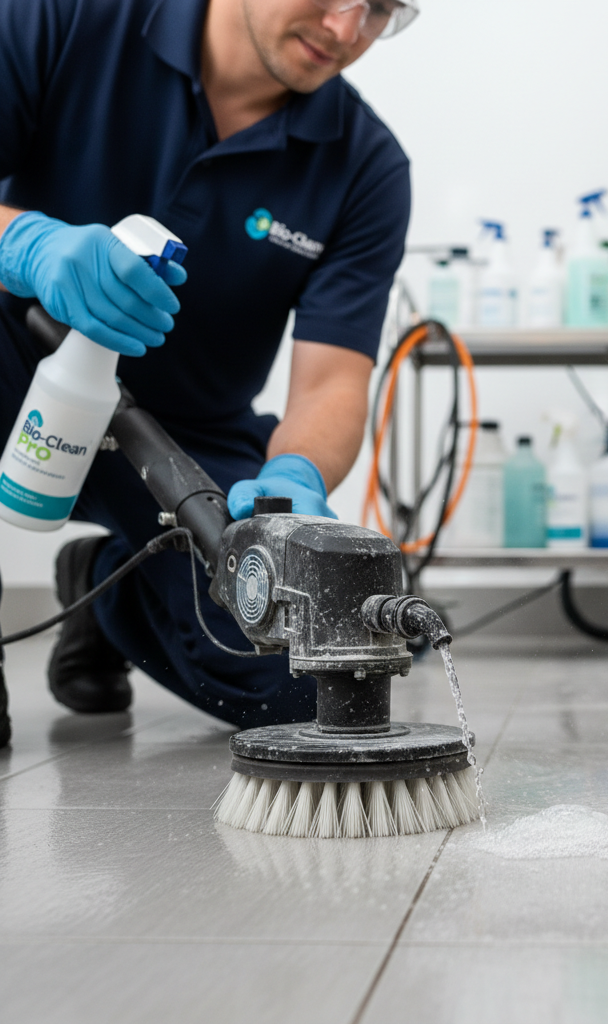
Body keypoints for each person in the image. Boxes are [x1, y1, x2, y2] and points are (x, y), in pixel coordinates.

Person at [0, 0, 418, 749]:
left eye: (382, 8)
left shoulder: (366, 165)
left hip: (181, 436)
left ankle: (105, 590)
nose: (348, 29)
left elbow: (330, 382)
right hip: (17, 351)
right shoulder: (61, 18)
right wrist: (28, 244)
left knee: (307, 668)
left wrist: (295, 475)